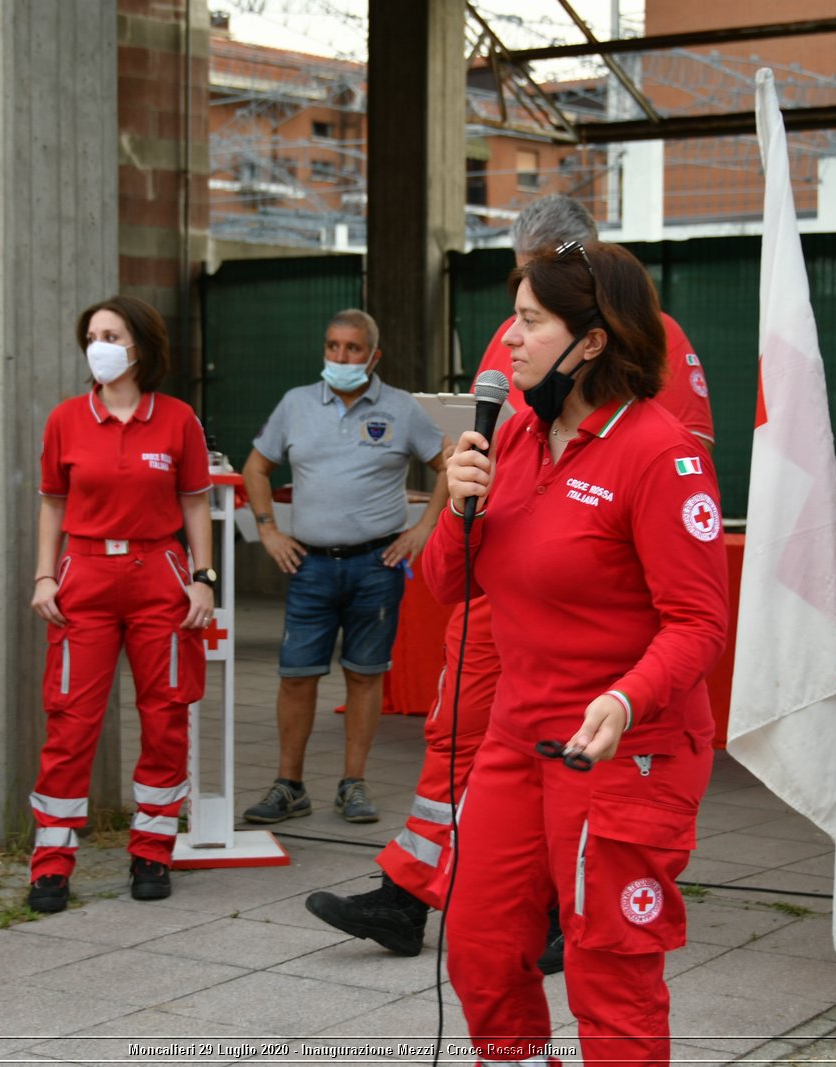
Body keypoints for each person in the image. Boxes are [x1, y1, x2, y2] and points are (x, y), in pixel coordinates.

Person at [305, 194, 716, 971]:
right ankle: (416, 887)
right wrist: (452, 514)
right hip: (505, 564)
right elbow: (490, 437)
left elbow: (677, 473)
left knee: (604, 946)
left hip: (592, 593)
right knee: (455, 731)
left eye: (536, 303)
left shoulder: (654, 345)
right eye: (519, 295)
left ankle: (564, 896)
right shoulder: (518, 346)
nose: (517, 330)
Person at [425, 239, 727, 1064]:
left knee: (610, 971)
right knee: (480, 945)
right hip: (519, 738)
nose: (508, 340)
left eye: (529, 322)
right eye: (512, 320)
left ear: (591, 340)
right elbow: (447, 586)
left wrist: (625, 698)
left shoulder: (659, 452)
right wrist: (457, 503)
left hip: (628, 751)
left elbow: (699, 621)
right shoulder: (510, 440)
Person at [25, 295, 214, 910]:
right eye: (92, 334)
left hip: (158, 570)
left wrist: (203, 578)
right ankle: (51, 863)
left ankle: (152, 854)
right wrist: (43, 577)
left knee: (166, 716)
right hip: (83, 573)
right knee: (72, 719)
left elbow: (193, 502)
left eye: (111, 334)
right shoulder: (65, 420)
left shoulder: (178, 419)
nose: (99, 344)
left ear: (140, 346)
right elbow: (53, 501)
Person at [241, 310, 447, 825]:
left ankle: (353, 784)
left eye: (353, 349)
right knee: (296, 676)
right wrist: (268, 530)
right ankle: (289, 786)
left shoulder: (401, 409)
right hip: (310, 565)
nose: (340, 357)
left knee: (364, 675)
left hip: (376, 564)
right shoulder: (296, 404)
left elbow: (449, 464)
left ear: (374, 356)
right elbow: (256, 467)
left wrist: (423, 529)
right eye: (332, 346)